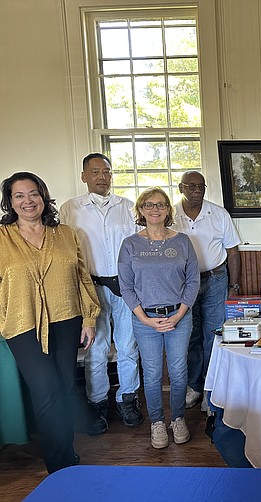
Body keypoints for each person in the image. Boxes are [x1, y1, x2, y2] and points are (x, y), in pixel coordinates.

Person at [0, 172, 100, 473]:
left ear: (43, 197)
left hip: (66, 320)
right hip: (23, 325)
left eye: (33, 193)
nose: (28, 201)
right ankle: (59, 466)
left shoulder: (67, 234)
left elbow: (81, 277)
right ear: (11, 202)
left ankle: (66, 452)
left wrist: (89, 318)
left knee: (65, 387)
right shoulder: (2, 238)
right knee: (45, 390)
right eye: (20, 196)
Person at [60, 153, 143, 435]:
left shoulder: (128, 207)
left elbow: (138, 247)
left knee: (128, 346)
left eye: (106, 172)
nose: (101, 177)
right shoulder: (70, 209)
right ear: (84, 176)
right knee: (95, 348)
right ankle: (97, 402)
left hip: (124, 287)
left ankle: (127, 399)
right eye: (95, 172)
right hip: (89, 287)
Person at [118, 187, 200, 449]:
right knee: (152, 374)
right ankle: (156, 422)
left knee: (178, 372)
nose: (155, 209)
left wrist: (179, 314)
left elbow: (193, 281)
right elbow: (126, 286)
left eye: (161, 205)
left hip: (179, 315)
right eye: (149, 205)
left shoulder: (182, 241)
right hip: (146, 319)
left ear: (168, 210)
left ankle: (177, 418)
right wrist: (145, 319)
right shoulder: (130, 244)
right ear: (141, 210)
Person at [173, 171, 241, 412]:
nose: (197, 190)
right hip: (183, 285)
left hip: (215, 280)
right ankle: (194, 386)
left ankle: (211, 391)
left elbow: (233, 251)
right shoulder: (171, 215)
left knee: (214, 335)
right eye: (191, 186)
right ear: (181, 187)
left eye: (201, 186)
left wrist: (234, 286)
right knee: (190, 336)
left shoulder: (218, 213)